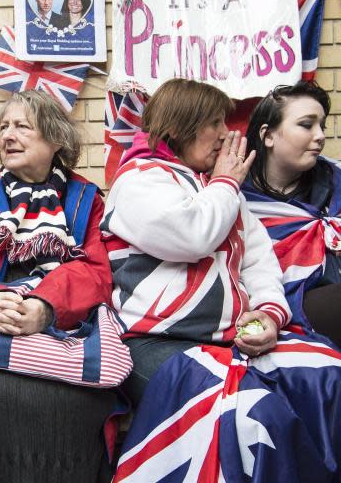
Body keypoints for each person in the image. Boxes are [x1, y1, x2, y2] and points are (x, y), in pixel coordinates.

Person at [103, 78, 341, 482]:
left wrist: (268, 316)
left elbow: (261, 264)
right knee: (254, 414)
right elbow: (193, 237)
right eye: (214, 122)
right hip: (158, 343)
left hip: (229, 340)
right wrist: (227, 182)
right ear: (179, 127)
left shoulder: (218, 187)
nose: (226, 133)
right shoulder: (138, 180)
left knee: (327, 374)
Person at [0, 90, 117, 483]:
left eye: (22, 127)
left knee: (76, 403)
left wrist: (46, 306)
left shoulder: (86, 200)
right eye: (4, 127)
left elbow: (96, 271)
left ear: (55, 139)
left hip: (64, 327)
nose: (8, 136)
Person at [242, 81, 340, 347]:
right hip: (279, 313)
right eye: (306, 125)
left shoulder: (336, 180)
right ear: (268, 135)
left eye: (322, 125)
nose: (320, 135)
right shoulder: (234, 197)